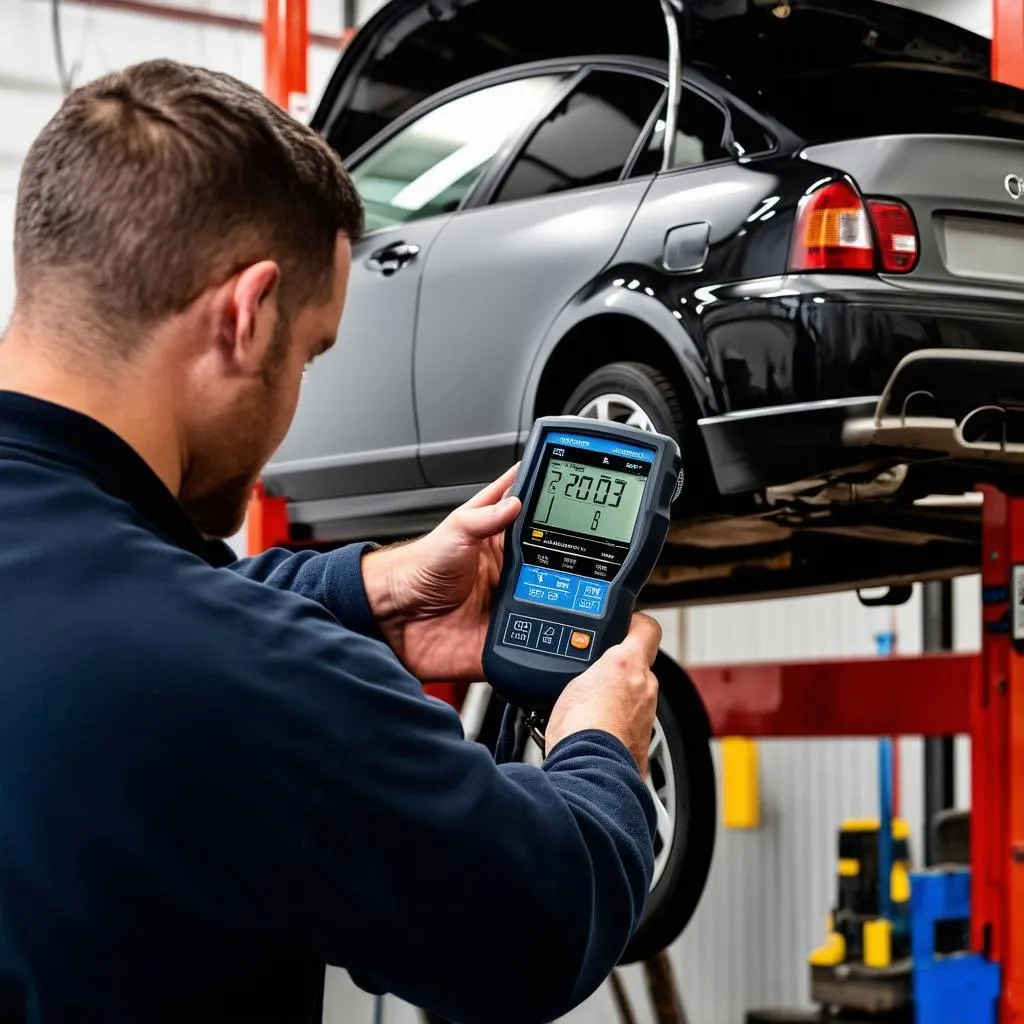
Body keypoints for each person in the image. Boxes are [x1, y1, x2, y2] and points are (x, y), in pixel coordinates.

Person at [0, 60, 663, 1024]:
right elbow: (540, 920)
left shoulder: (163, 629)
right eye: (309, 352)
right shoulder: (246, 680)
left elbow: (106, 609)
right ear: (247, 314)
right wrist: (602, 739)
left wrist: (366, 592)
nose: (296, 400)